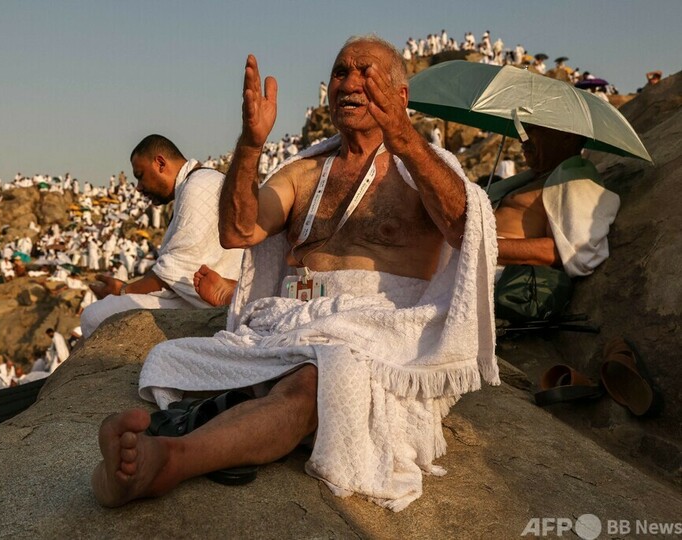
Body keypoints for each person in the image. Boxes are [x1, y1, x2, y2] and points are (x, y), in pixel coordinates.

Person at [91, 36, 497, 511]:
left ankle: (170, 460)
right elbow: (239, 229)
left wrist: (404, 137)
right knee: (170, 359)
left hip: (371, 328)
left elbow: (462, 227)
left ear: (400, 95)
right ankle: (230, 419)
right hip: (287, 322)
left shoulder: (424, 170)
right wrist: (250, 143)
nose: (349, 83)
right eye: (341, 72)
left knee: (319, 379)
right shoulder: (304, 173)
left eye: (366, 73)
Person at [79, 135, 243, 338]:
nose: (138, 187)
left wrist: (124, 290)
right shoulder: (197, 183)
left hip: (207, 300)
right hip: (194, 295)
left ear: (160, 163)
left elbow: (178, 267)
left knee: (94, 316)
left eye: (140, 175)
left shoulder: (198, 185)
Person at [489, 124, 619, 277]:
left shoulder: (575, 183)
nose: (521, 138)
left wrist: (483, 246)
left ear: (567, 136)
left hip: (492, 266)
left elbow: (568, 251)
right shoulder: (537, 178)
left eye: (531, 130)